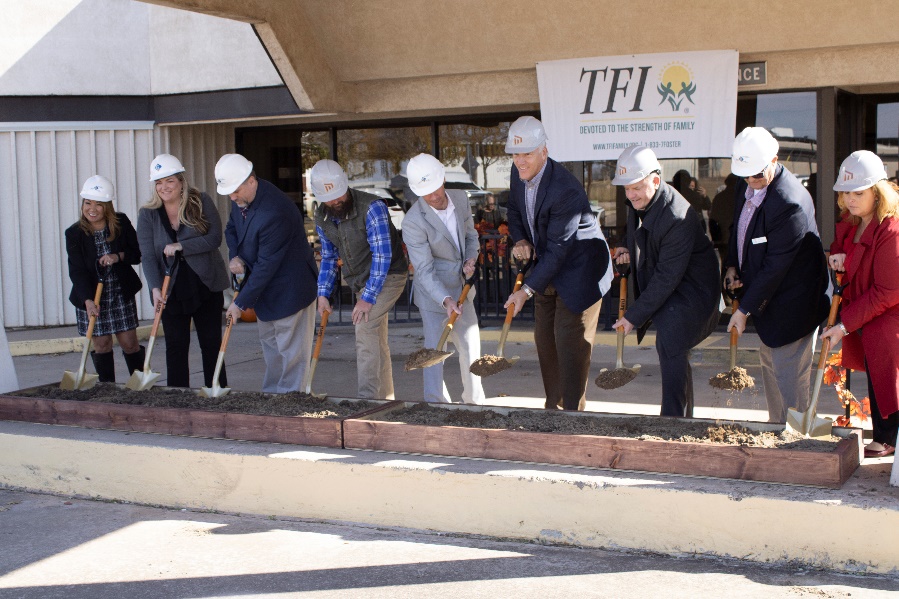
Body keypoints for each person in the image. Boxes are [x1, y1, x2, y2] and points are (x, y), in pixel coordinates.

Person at [503, 116, 612, 411]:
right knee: (545, 343)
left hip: (579, 272)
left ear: (543, 152)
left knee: (568, 345)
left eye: (526, 154)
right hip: (548, 269)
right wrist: (521, 239)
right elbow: (514, 210)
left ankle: (573, 417)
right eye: (515, 154)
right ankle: (554, 410)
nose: (520, 161)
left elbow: (560, 249)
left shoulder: (565, 189)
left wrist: (525, 291)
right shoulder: (518, 174)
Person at [724, 127, 831, 424]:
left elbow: (776, 266)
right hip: (768, 296)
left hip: (794, 300)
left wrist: (744, 310)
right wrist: (732, 265)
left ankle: (797, 440)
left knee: (787, 372)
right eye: (744, 176)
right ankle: (778, 428)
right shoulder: (747, 183)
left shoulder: (789, 203)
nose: (751, 182)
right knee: (769, 362)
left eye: (756, 175)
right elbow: (740, 230)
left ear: (774, 159)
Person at [610, 146, 721, 417]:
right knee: (670, 342)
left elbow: (666, 277)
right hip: (673, 283)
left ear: (656, 181)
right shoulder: (641, 201)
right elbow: (636, 230)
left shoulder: (676, 216)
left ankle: (673, 418)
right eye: (626, 188)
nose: (630, 195)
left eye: (636, 188)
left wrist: (633, 316)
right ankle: (682, 417)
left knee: (671, 338)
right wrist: (626, 245)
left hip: (695, 290)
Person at [219, 153, 318, 394]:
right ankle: (273, 394)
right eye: (230, 192)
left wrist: (239, 303)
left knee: (291, 351)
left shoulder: (275, 211)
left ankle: (292, 400)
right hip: (265, 290)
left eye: (235, 191)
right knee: (272, 347)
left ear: (251, 180)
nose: (232, 197)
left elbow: (266, 265)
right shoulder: (242, 197)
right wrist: (236, 256)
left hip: (290, 288)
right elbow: (232, 228)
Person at [822, 151, 899, 458]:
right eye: (846, 193)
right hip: (867, 315)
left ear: (876, 192)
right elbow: (844, 253)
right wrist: (838, 259)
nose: (850, 199)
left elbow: (888, 291)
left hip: (887, 317)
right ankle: (884, 436)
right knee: (875, 372)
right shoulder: (854, 222)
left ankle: (887, 438)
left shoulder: (890, 230)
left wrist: (843, 324)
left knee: (886, 375)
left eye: (858, 193)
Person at [311, 159, 408, 399]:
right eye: (329, 198)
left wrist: (367, 297)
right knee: (376, 339)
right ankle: (384, 399)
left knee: (364, 327)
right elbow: (330, 257)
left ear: (346, 186)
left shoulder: (372, 207)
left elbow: (382, 256)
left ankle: (366, 400)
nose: (335, 201)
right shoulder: (322, 217)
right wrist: (323, 293)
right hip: (362, 282)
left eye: (339, 195)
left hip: (390, 276)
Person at [137, 154, 230, 388]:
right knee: (176, 345)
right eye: (158, 182)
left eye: (169, 181)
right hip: (171, 288)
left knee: (210, 342)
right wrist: (155, 288)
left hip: (205, 283)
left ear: (181, 181)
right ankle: (178, 396)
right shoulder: (148, 214)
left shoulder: (200, 201)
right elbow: (147, 255)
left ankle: (216, 391)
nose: (163, 187)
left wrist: (182, 246)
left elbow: (215, 238)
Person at [402, 153, 485, 405]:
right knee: (435, 352)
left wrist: (471, 258)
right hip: (434, 296)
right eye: (426, 193)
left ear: (443, 178)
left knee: (471, 349)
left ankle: (475, 405)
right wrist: (446, 300)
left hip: (463, 289)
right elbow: (424, 270)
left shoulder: (460, 198)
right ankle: (436, 406)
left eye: (436, 189)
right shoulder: (413, 222)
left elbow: (471, 237)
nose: (434, 196)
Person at [64, 175, 144, 382]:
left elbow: (136, 254)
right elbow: (77, 270)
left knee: (129, 343)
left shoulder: (121, 223)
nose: (92, 209)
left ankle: (141, 387)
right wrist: (87, 301)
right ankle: (107, 391)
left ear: (107, 206)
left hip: (119, 293)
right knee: (102, 345)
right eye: (88, 203)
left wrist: (117, 257)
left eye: (98, 204)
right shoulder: (74, 233)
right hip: (92, 296)